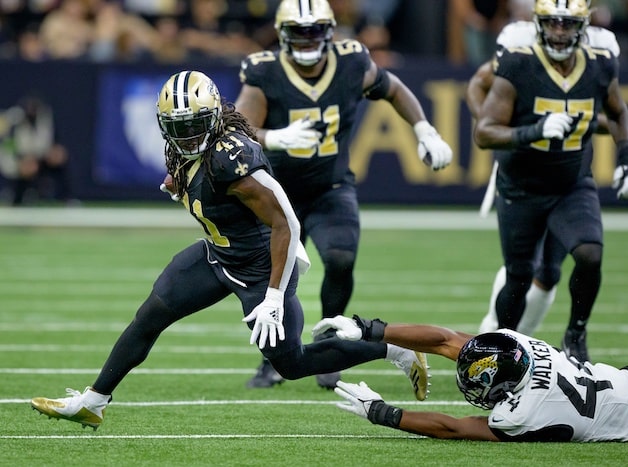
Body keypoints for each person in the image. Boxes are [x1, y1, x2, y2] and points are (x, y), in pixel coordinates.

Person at [28, 70, 429, 431]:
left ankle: (392, 349)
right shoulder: (188, 147)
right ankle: (94, 402)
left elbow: (286, 223)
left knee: (291, 364)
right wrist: (179, 182)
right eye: (177, 128)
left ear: (215, 117)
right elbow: (190, 166)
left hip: (260, 266)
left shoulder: (230, 158)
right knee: (149, 317)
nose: (186, 137)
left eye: (194, 126)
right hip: (217, 256)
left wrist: (274, 294)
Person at [234, 0, 452, 389]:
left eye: (314, 31)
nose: (307, 40)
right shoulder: (266, 71)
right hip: (277, 194)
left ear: (331, 31)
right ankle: (274, 359)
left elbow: (394, 89)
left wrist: (424, 129)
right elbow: (242, 127)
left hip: (331, 186)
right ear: (282, 35)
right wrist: (274, 137)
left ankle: (329, 340)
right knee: (277, 278)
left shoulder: (351, 62)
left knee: (339, 258)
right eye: (298, 32)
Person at [471, 0, 628, 362]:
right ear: (537, 23)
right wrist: (531, 129)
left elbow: (616, 111)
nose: (559, 31)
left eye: (567, 24)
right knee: (520, 275)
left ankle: (575, 333)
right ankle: (502, 347)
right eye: (552, 23)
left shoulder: (600, 59)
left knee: (589, 254)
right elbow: (484, 130)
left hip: (571, 182)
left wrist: (627, 160)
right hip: (521, 185)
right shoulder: (518, 58)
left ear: (584, 25)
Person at [312, 314, 628, 442]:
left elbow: (455, 428)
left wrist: (383, 413)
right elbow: (447, 341)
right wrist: (370, 328)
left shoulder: (520, 414)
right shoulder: (518, 346)